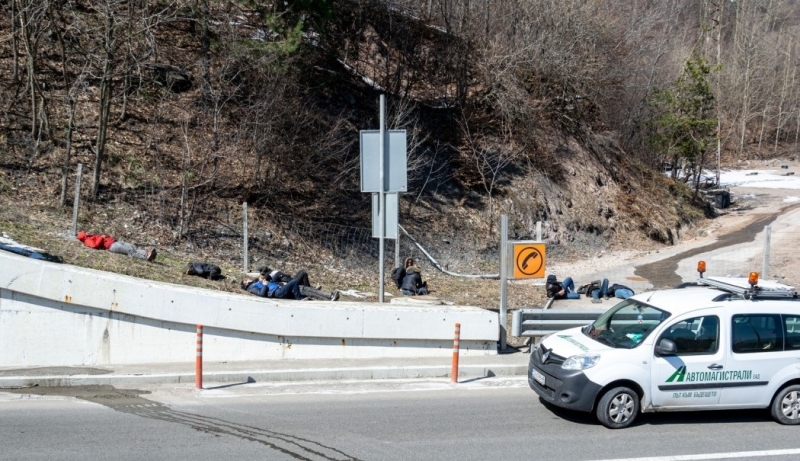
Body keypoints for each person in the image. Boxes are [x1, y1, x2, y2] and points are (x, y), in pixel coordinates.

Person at [76, 230, 156, 262]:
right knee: (129, 250)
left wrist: (105, 236)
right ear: (83, 236)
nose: (86, 232)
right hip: (111, 246)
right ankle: (145, 257)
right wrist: (101, 237)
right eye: (85, 233)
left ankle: (147, 253)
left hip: (113, 241)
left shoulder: (90, 236)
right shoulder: (87, 240)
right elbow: (95, 245)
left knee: (131, 247)